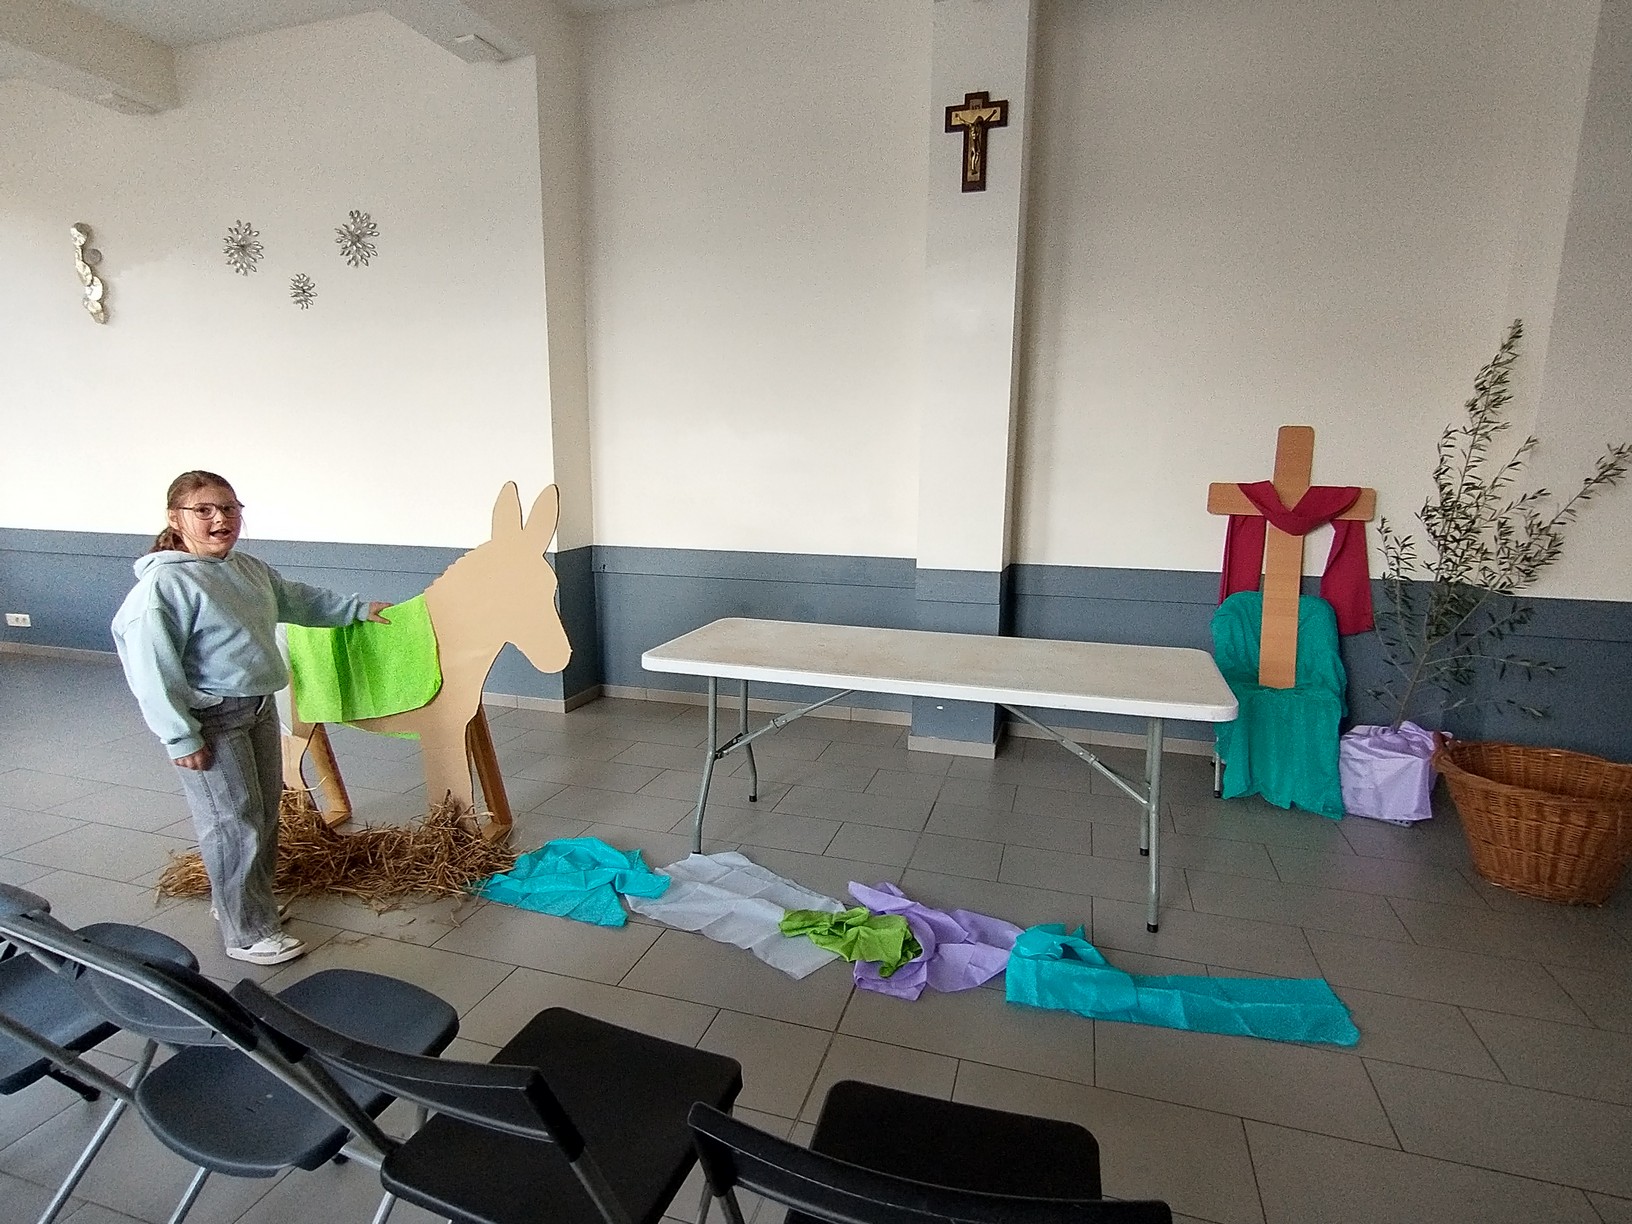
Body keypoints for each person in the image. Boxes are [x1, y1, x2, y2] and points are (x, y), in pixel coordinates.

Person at [112, 471, 390, 965]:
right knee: (231, 824)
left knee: (262, 815)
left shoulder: (246, 569)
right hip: (212, 719)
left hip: (257, 707)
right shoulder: (165, 585)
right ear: (176, 518)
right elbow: (151, 669)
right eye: (204, 510)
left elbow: (295, 598)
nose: (220, 519)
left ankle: (244, 904)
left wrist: (357, 609)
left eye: (229, 508)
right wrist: (180, 736)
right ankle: (245, 933)